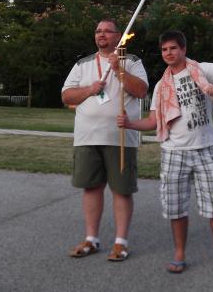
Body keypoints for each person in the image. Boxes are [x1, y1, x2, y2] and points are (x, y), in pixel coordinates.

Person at [117, 30, 213, 275]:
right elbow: (153, 121)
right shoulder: (161, 86)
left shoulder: (203, 69)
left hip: (205, 149)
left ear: (183, 50)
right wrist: (129, 124)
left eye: (173, 48)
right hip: (173, 152)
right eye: (164, 49)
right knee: (176, 207)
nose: (168, 53)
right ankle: (179, 254)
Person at [61, 18, 148, 262]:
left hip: (120, 137)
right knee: (91, 187)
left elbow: (142, 91)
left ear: (118, 36)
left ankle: (121, 242)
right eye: (98, 31)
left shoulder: (131, 61)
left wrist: (119, 70)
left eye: (108, 31)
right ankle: (91, 239)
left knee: (121, 190)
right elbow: (66, 96)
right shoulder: (83, 64)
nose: (102, 34)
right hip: (87, 136)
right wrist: (89, 90)